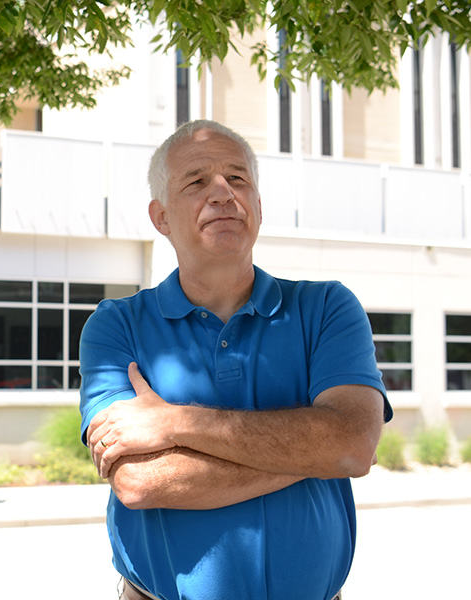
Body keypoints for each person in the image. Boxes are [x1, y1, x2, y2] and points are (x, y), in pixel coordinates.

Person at [79, 120, 392, 600]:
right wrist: (316, 451)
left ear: (259, 208)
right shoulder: (115, 324)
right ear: (160, 217)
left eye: (238, 178)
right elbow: (139, 481)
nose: (223, 191)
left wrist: (172, 423)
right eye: (197, 181)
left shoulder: (328, 307)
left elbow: (351, 445)